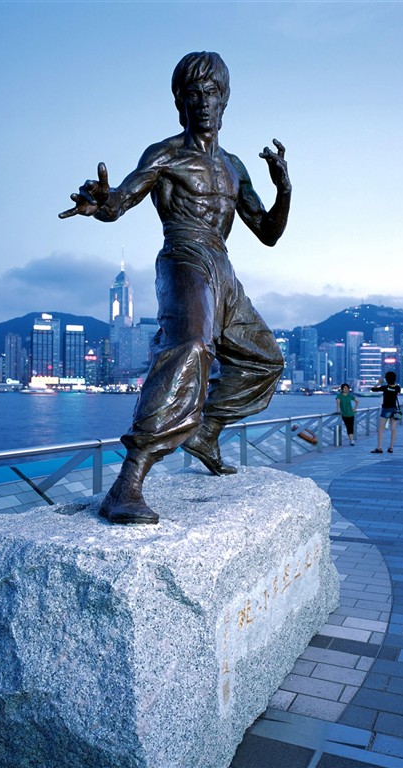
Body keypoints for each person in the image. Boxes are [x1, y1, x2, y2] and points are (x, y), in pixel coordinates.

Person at [60, 52, 290, 524]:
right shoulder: (164, 154)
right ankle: (127, 484)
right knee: (190, 347)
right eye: (193, 94)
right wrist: (100, 202)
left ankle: (205, 431)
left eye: (211, 93)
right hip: (184, 257)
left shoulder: (235, 167)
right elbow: (120, 202)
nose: (202, 102)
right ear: (179, 103)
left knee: (265, 361)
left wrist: (284, 189)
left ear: (224, 100)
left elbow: (267, 232)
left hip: (222, 267)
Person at [371, 371, 402, 453]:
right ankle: (391, 447)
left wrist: (379, 382)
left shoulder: (385, 387)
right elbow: (396, 391)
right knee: (393, 429)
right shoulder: (397, 388)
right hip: (394, 410)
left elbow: (373, 389)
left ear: (386, 379)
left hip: (385, 410)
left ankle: (379, 448)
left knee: (381, 429)